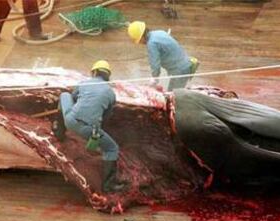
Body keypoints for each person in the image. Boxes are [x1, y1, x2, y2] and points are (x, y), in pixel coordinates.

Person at [54, 60, 124, 193]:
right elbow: (106, 117)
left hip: (70, 119)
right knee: (112, 148)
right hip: (89, 129)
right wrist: (96, 133)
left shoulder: (84, 83)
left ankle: (59, 132)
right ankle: (109, 186)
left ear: (95, 72)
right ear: (107, 75)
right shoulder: (111, 93)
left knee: (64, 95)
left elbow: (73, 97)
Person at [127, 20, 198, 91]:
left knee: (173, 96)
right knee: (174, 93)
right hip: (185, 63)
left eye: (139, 40)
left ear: (142, 37)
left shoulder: (152, 44)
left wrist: (154, 79)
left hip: (180, 71)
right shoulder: (159, 32)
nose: (140, 43)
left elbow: (155, 65)